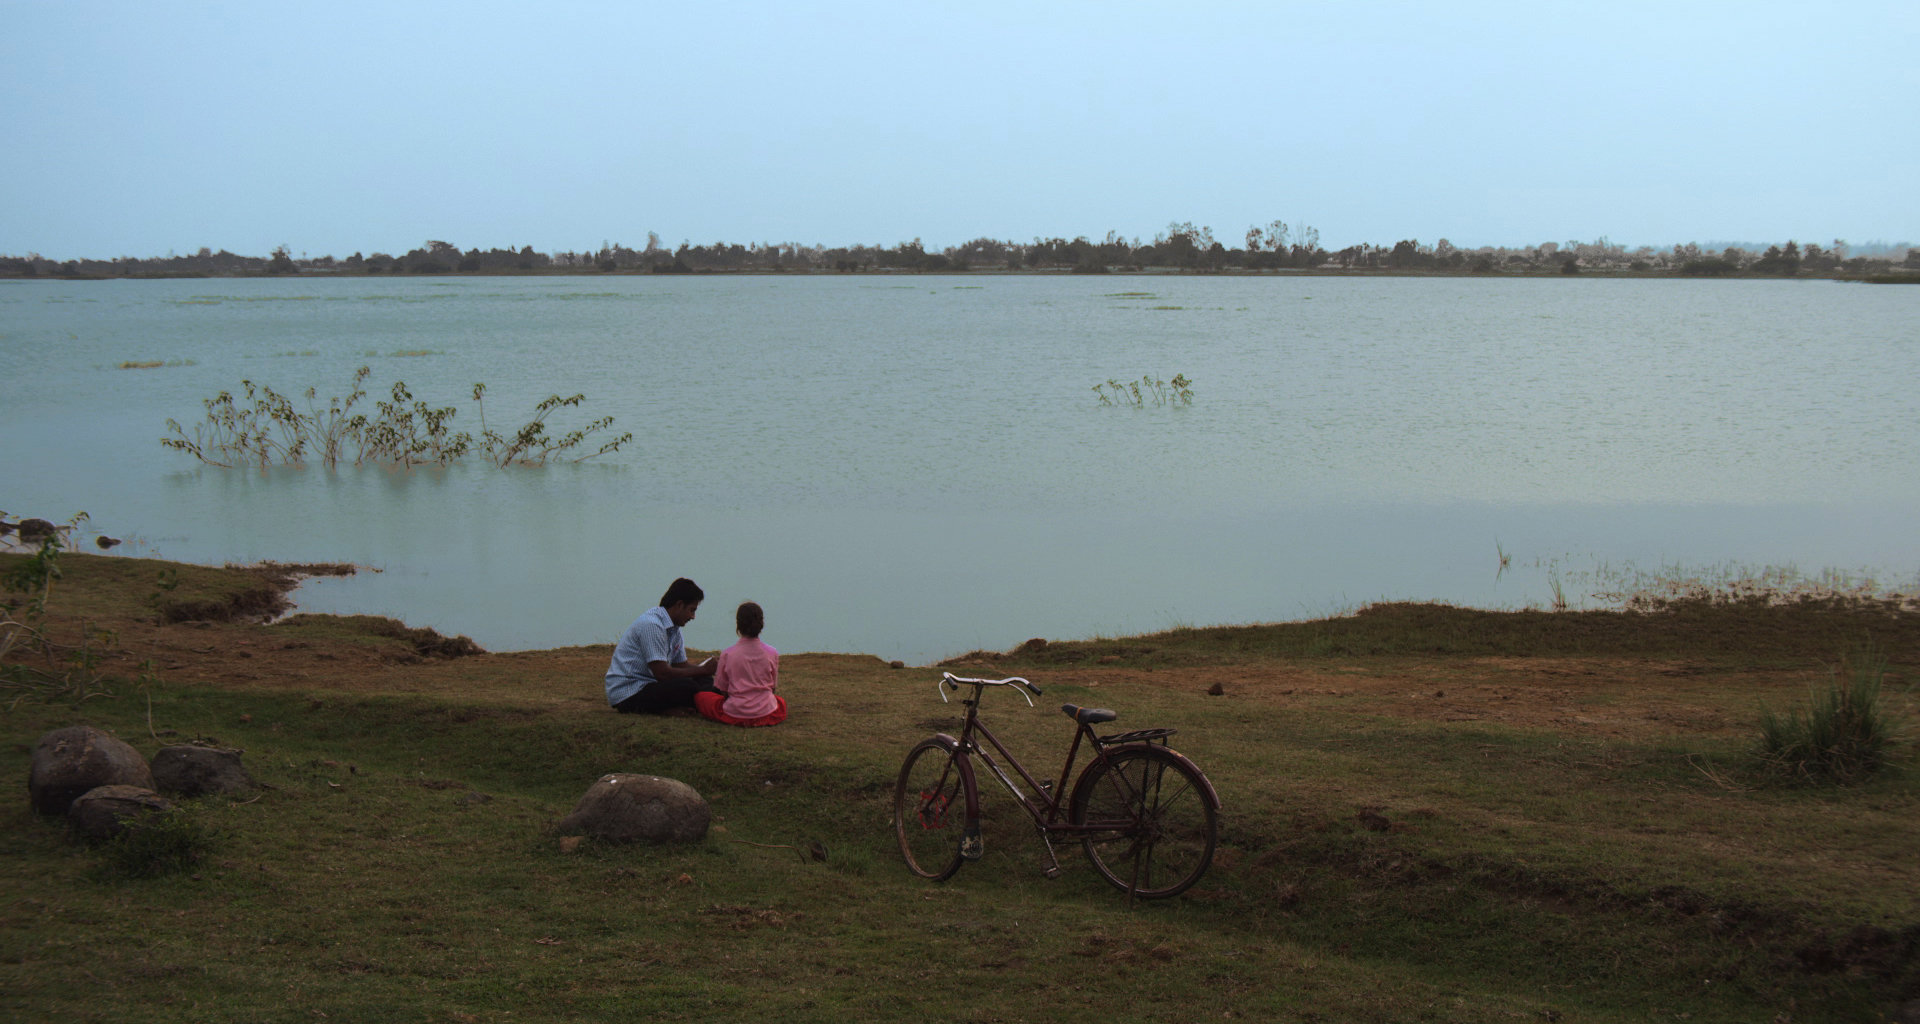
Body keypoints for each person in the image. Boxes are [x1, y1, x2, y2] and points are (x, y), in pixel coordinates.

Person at [605, 577, 720, 714]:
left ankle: (703, 701)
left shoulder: (674, 629)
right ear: (679, 605)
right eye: (691, 610)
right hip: (631, 693)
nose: (693, 616)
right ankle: (705, 702)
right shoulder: (652, 625)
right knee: (687, 686)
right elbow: (662, 673)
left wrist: (707, 669)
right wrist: (703, 669)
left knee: (703, 679)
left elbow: (681, 665)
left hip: (650, 685)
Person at [694, 601, 787, 727]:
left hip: (735, 713)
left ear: (738, 624)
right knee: (780, 702)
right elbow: (772, 688)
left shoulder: (727, 654)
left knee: (701, 697)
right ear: (761, 623)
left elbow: (723, 691)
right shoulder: (772, 652)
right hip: (765, 711)